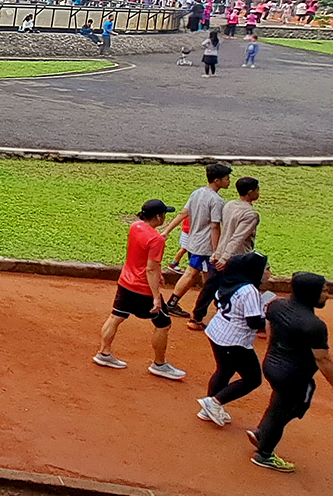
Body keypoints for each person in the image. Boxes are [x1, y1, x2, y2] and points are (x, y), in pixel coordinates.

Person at [248, 273, 333, 472]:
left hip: (271, 366)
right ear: (311, 293)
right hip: (293, 377)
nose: (327, 295)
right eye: (324, 291)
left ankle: (263, 432)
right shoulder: (314, 325)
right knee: (291, 409)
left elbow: (269, 329)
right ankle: (264, 454)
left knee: (280, 402)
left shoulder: (276, 305)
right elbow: (323, 359)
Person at [94, 198, 186, 380]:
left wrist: (158, 273)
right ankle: (159, 364)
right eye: (164, 214)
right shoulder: (156, 239)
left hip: (125, 283)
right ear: (158, 217)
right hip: (143, 289)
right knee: (163, 324)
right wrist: (156, 297)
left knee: (115, 317)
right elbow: (150, 269)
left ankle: (104, 353)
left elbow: (142, 257)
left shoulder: (135, 226)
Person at [196, 252, 270, 427]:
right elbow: (253, 322)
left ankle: (208, 409)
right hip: (234, 341)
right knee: (252, 379)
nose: (269, 273)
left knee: (224, 370)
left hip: (217, 332)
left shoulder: (230, 280)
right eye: (266, 269)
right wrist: (269, 318)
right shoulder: (249, 291)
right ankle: (214, 402)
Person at [191, 176, 263, 329]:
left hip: (222, 252)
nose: (258, 192)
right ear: (250, 192)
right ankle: (248, 319)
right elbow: (238, 238)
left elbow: (226, 232)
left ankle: (197, 316)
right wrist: (224, 258)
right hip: (239, 258)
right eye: (257, 189)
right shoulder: (251, 215)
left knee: (212, 285)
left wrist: (218, 254)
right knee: (248, 287)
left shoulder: (229, 205)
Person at [161, 163, 231, 319]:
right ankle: (176, 305)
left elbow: (183, 213)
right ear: (217, 180)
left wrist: (166, 231)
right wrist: (216, 251)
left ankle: (209, 305)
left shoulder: (197, 193)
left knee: (206, 276)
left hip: (193, 242)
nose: (229, 181)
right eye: (226, 178)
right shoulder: (217, 200)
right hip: (205, 246)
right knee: (196, 274)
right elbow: (215, 226)